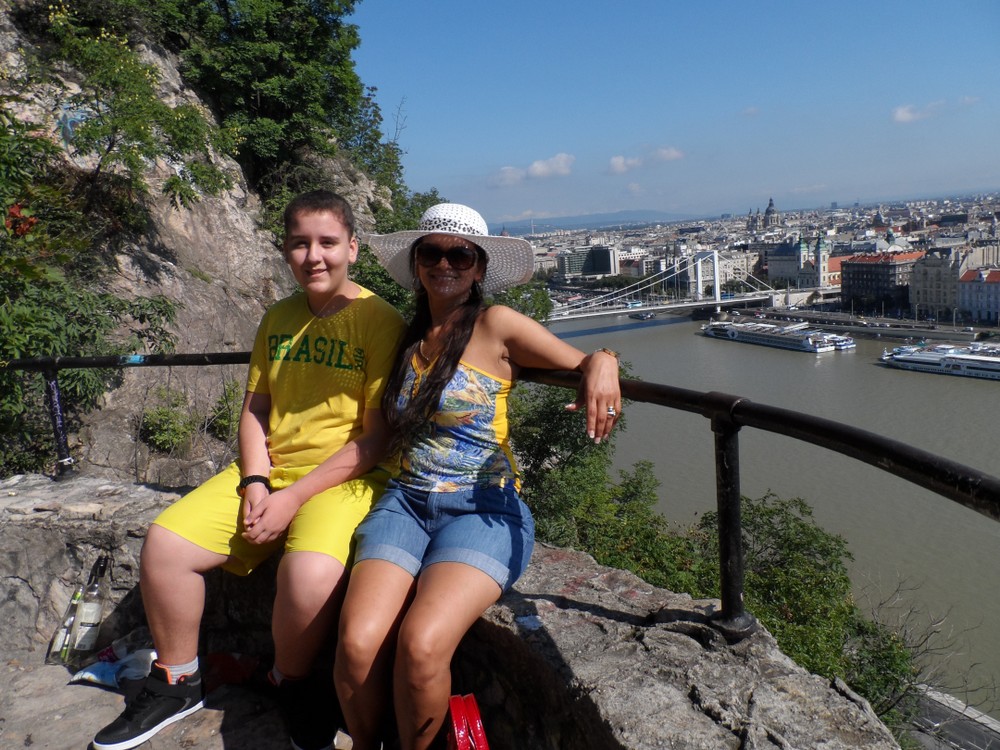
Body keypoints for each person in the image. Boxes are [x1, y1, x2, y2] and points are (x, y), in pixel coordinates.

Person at [93, 190, 405, 750]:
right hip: (272, 468)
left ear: (353, 248)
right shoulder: (278, 317)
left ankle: (289, 681)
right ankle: (177, 680)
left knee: (308, 577)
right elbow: (257, 410)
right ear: (285, 250)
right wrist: (257, 481)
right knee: (166, 545)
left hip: (346, 477)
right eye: (300, 244)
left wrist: (292, 498)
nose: (314, 256)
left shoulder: (380, 321)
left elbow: (376, 436)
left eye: (328, 243)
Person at [334, 203, 622, 750]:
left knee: (421, 646)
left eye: (460, 255)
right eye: (431, 252)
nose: (444, 264)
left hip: (483, 508)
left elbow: (583, 361)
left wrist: (605, 357)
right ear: (416, 262)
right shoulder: (409, 335)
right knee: (356, 644)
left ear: (480, 268)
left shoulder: (497, 324)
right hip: (406, 502)